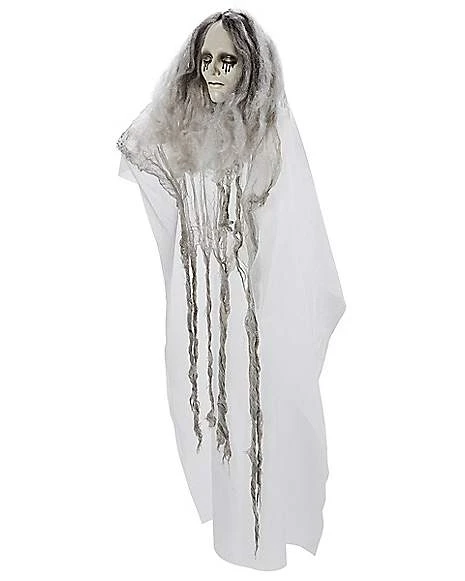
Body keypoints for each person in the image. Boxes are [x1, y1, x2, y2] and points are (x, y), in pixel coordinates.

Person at [117, 8, 346, 570]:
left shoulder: (269, 139)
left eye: (229, 60)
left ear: (251, 68)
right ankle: (237, 534)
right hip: (203, 307)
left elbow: (291, 234)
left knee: (258, 417)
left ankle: (264, 536)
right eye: (207, 60)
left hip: (255, 309)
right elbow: (144, 148)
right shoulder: (188, 132)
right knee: (218, 420)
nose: (215, 72)